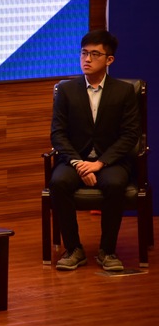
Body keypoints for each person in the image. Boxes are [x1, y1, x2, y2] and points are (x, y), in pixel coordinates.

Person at [50, 29, 140, 271]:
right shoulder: (66, 90)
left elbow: (130, 135)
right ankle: (74, 249)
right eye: (83, 53)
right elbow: (58, 134)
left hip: (110, 161)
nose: (87, 59)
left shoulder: (124, 91)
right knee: (58, 182)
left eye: (94, 54)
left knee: (114, 184)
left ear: (109, 59)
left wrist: (100, 163)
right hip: (75, 160)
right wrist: (79, 164)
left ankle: (107, 251)